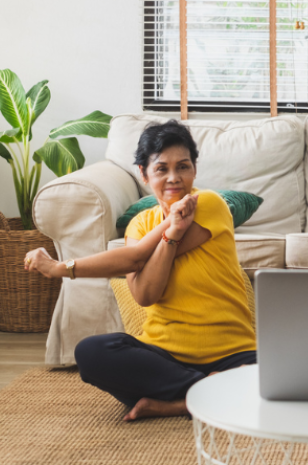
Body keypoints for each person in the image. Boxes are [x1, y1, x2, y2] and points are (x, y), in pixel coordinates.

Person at [24, 120, 256, 421]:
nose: (174, 178)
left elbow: (135, 258)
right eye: (161, 169)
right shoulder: (139, 225)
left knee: (291, 376)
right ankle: (209, 393)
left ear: (194, 170)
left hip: (232, 353)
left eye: (183, 167)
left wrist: (59, 268)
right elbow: (146, 294)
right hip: (164, 357)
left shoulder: (209, 203)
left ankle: (180, 402)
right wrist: (171, 234)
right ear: (143, 174)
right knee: (92, 352)